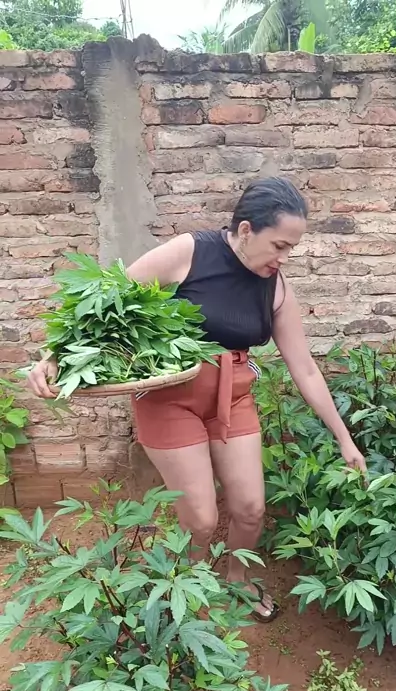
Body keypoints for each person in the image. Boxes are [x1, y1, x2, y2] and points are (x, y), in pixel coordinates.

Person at [27, 177, 366, 622]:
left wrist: (344, 438)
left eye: (292, 248)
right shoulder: (191, 252)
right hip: (170, 401)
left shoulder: (276, 287)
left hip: (233, 399)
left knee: (251, 509)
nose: (284, 258)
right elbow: (106, 298)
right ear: (246, 230)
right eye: (279, 245)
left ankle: (238, 580)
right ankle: (185, 590)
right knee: (202, 520)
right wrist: (53, 355)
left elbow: (304, 369)